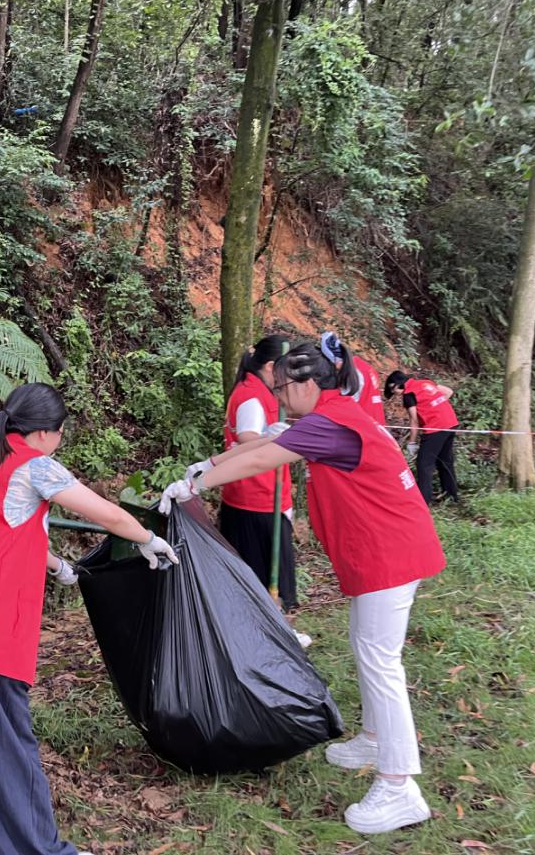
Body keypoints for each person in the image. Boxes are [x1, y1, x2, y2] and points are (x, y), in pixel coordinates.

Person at [160, 340, 445, 835]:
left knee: (381, 661)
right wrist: (209, 464)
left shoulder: (330, 423)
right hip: (386, 548)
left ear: (308, 384)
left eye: (282, 389)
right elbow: (265, 444)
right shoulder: (333, 415)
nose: (278, 397)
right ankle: (375, 738)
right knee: (367, 648)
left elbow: (263, 459)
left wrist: (196, 485)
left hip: (392, 552)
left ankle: (400, 787)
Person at [0, 383, 178, 855]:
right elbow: (108, 514)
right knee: (3, 748)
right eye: (61, 434)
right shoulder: (33, 464)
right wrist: (148, 539)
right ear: (46, 433)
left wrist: (58, 566)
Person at [184, 335, 310, 648]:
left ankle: (268, 633)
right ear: (271, 366)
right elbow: (246, 437)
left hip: (257, 496)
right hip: (257, 499)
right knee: (261, 574)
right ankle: (271, 636)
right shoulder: (252, 395)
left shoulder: (256, 389)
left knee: (257, 572)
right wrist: (272, 437)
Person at [383, 370, 459, 505]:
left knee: (424, 464)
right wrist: (434, 406)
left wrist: (411, 442)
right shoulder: (425, 382)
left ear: (397, 385)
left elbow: (414, 421)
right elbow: (448, 392)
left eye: (394, 391)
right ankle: (451, 495)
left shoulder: (408, 395)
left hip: (435, 427)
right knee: (445, 460)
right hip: (451, 423)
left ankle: (424, 500)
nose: (396, 394)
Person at [321, 330, 386, 426]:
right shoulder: (362, 366)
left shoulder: (352, 374)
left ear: (336, 362)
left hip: (364, 426)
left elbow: (346, 407)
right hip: (376, 422)